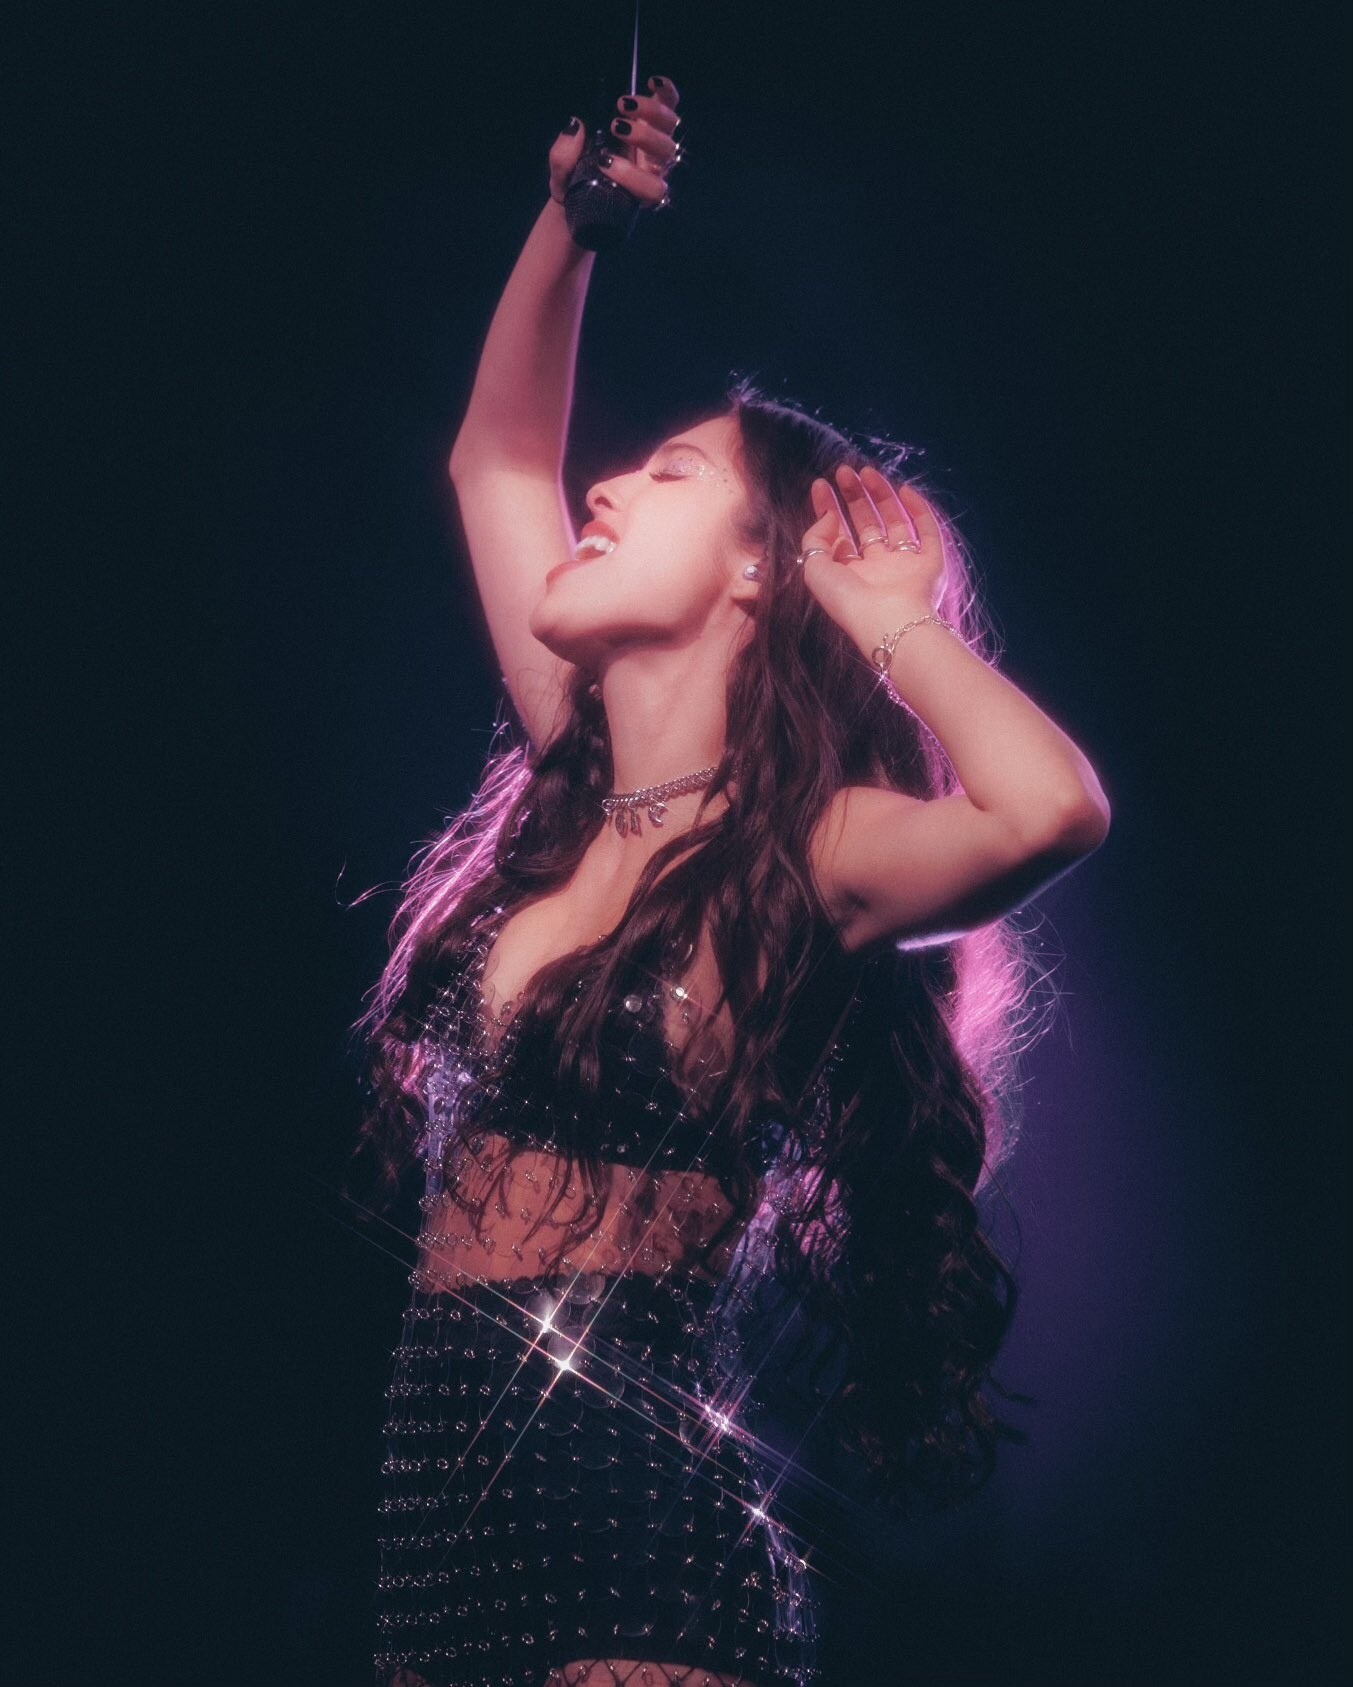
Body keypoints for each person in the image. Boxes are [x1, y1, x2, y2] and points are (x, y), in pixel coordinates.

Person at [355, 72, 1111, 1687]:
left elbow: (1048, 810)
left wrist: (891, 623)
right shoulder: (574, 786)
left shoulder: (814, 850)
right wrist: (571, 228)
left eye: (671, 476)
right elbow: (498, 460)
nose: (605, 487)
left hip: (637, 1549)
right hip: (433, 1550)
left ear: (766, 568)